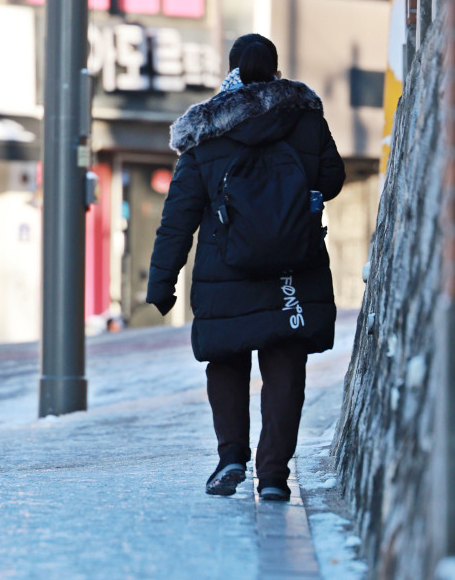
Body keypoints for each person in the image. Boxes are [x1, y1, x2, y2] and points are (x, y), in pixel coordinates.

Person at [145, 33, 345, 501]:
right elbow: (332, 178)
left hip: (224, 270)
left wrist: (161, 283)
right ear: (276, 69)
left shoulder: (205, 131)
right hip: (292, 268)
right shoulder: (305, 117)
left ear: (232, 68)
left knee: (227, 361)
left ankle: (231, 455)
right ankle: (274, 475)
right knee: (285, 365)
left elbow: (179, 217)